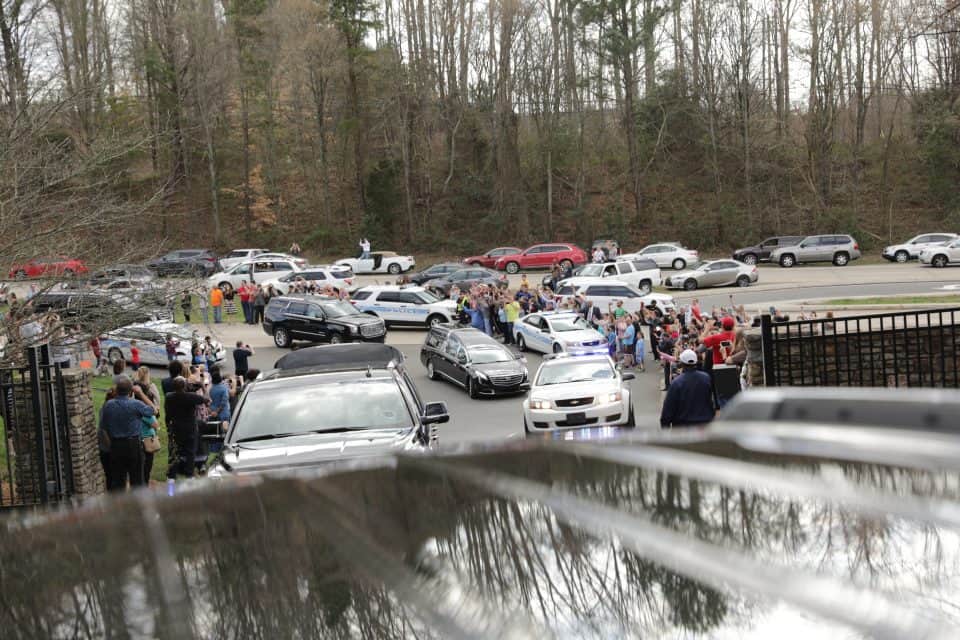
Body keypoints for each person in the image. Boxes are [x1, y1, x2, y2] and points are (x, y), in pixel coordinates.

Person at [100, 377, 155, 490]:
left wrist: (111, 445)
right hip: (133, 445)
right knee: (137, 481)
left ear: (117, 390)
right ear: (131, 391)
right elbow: (153, 410)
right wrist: (140, 393)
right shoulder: (136, 404)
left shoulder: (108, 405)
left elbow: (103, 428)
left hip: (116, 445)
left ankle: (120, 506)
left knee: (118, 481)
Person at [165, 376, 209, 481]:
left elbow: (168, 413)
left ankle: (171, 480)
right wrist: (203, 386)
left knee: (174, 453)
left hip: (175, 429)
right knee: (190, 453)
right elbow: (207, 400)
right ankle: (189, 476)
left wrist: (168, 426)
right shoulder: (191, 397)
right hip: (190, 430)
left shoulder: (169, 396)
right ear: (185, 386)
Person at [660, 349, 715, 429]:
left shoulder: (677, 383)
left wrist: (665, 427)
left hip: (683, 427)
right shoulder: (706, 378)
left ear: (682, 363)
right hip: (704, 425)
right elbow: (711, 401)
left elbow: (668, 408)